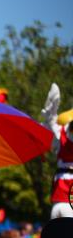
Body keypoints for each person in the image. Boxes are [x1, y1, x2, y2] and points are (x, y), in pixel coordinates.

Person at [42, 82, 73, 218]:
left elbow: (49, 119)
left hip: (56, 202)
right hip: (71, 204)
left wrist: (53, 104)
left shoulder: (60, 135)